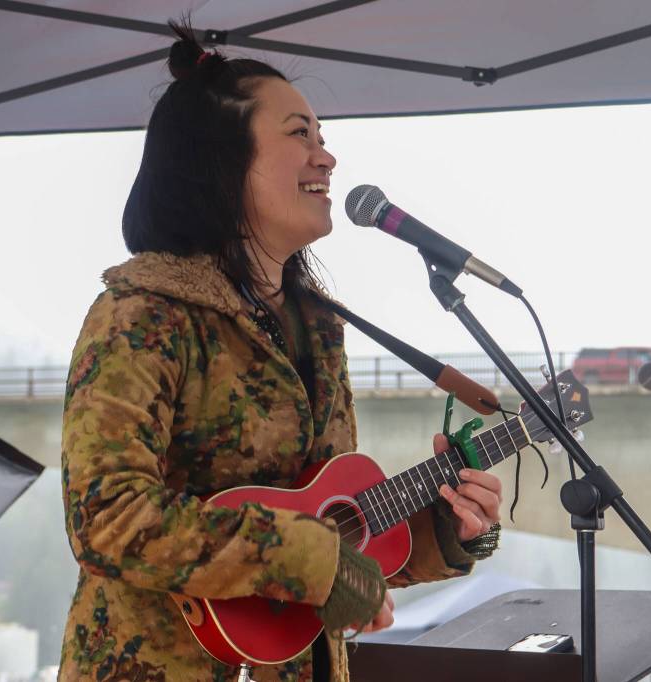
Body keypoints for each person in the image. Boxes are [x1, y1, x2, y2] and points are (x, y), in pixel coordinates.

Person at [59, 21, 503, 682]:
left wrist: (447, 530)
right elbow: (107, 516)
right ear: (222, 159)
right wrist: (313, 561)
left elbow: (331, 531)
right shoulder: (142, 314)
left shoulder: (317, 326)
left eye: (324, 140)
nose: (326, 158)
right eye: (300, 135)